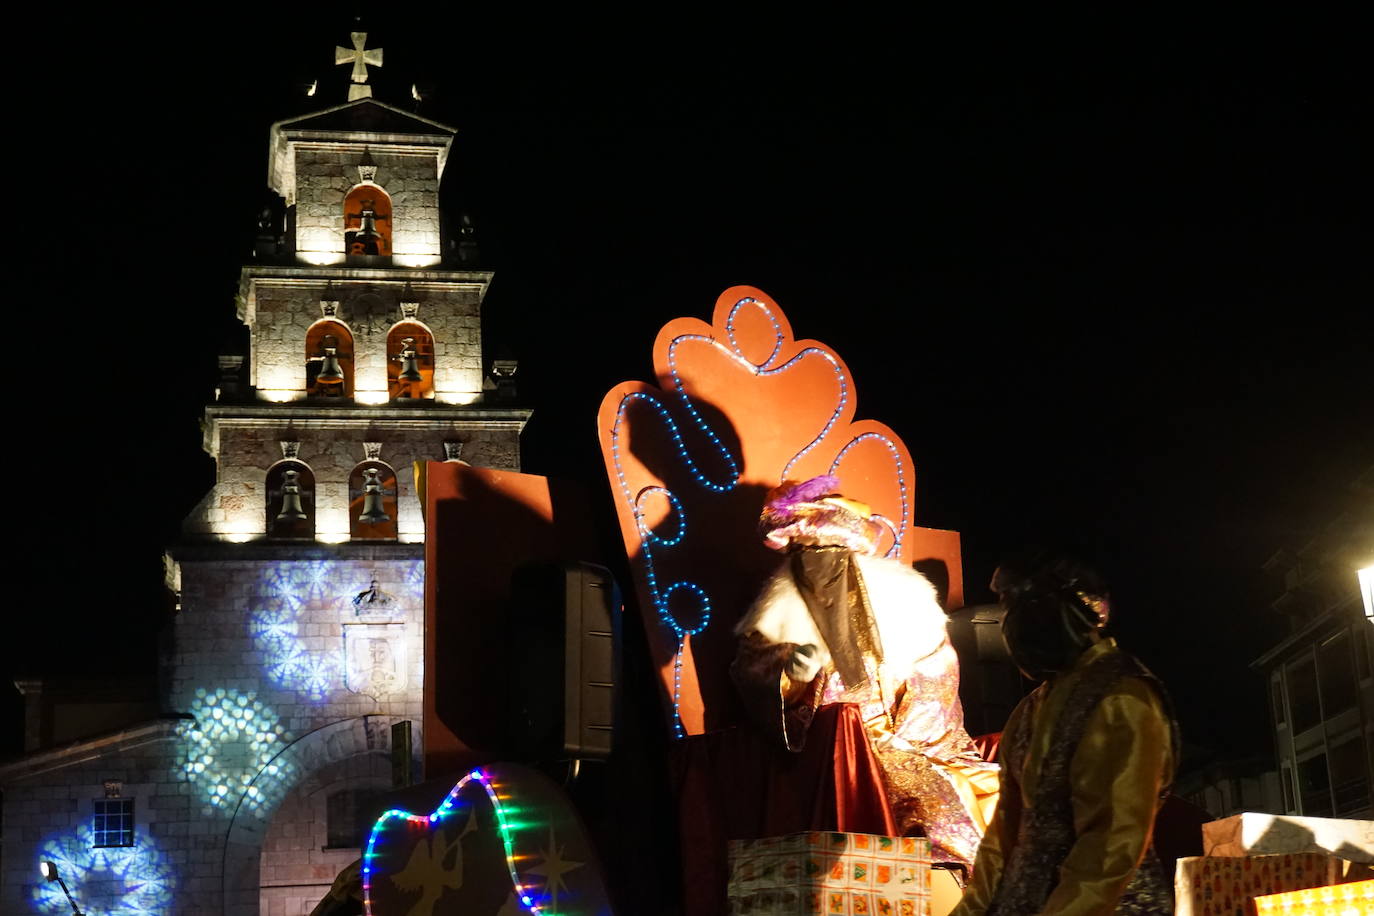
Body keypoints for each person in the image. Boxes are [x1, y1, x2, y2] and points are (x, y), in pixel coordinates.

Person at [731, 476, 999, 868]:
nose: (822, 569)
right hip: (827, 758)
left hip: (908, 741)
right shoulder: (775, 622)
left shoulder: (908, 612)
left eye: (833, 556)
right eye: (810, 557)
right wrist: (791, 674)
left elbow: (934, 690)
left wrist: (908, 747)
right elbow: (753, 681)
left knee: (954, 803)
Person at [952, 550, 1179, 916]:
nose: (1009, 626)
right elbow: (1004, 834)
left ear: (1061, 612)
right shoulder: (1029, 710)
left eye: (1019, 608)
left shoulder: (1121, 698)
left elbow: (1110, 845)